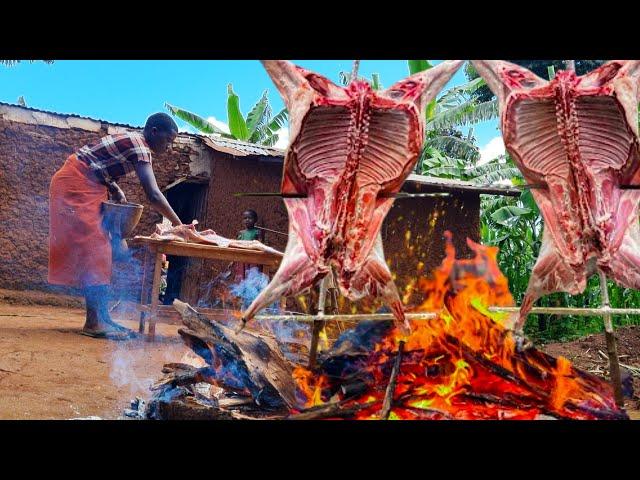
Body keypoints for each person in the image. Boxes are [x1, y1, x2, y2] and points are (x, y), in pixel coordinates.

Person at [48, 113, 183, 340]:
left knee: (105, 250)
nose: (168, 147)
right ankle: (94, 323)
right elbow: (153, 195)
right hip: (74, 185)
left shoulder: (133, 142)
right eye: (168, 141)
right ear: (154, 132)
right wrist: (180, 225)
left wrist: (114, 187)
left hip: (87, 184)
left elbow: (98, 165)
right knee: (96, 249)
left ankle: (103, 318)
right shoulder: (140, 146)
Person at [232, 209, 265, 283]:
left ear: (255, 220)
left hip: (253, 258)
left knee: (252, 278)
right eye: (245, 218)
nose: (247, 220)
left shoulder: (257, 232)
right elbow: (237, 244)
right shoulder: (241, 233)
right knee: (241, 277)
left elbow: (260, 244)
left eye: (250, 218)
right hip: (242, 258)